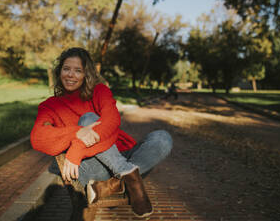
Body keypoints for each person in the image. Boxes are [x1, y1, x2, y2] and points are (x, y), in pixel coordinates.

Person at [30, 47, 173, 218]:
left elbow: (111, 122)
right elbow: (38, 138)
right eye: (66, 69)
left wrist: (77, 147)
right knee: (89, 119)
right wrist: (79, 132)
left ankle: (114, 183)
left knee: (163, 138)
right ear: (59, 71)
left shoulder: (100, 91)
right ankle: (129, 176)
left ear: (86, 74)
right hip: (90, 167)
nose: (70, 75)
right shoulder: (49, 105)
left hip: (120, 156)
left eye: (78, 70)